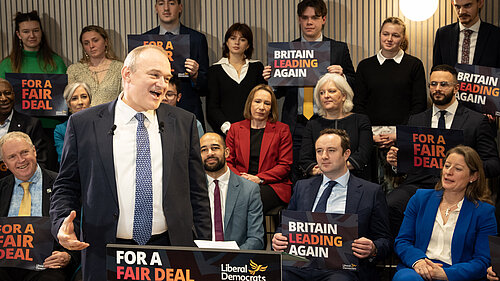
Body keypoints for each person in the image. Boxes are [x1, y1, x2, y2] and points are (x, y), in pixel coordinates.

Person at [49, 45, 211, 281]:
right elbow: (66, 186)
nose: (163, 85)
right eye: (154, 75)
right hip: (105, 252)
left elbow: (197, 192)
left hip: (171, 251)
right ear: (127, 74)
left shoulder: (184, 123)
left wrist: (201, 247)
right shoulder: (84, 124)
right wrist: (62, 222)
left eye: (166, 78)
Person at [386, 64, 500, 237]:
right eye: (433, 84)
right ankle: (410, 255)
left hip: (459, 188)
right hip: (418, 186)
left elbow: (493, 164)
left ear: (456, 88)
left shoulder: (476, 121)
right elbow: (403, 166)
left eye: (444, 84)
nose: (437, 89)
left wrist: (466, 168)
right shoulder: (415, 120)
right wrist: (396, 162)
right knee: (390, 204)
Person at [272, 129, 391, 281]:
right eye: (319, 151)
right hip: (300, 265)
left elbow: (385, 240)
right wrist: (278, 238)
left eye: (331, 150)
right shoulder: (302, 187)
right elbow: (285, 227)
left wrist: (373, 248)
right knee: (275, 274)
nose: (324, 156)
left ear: (346, 154)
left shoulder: (371, 191)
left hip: (343, 269)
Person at [263, 0, 355, 177]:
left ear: (324, 19)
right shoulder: (286, 51)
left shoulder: (338, 49)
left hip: (328, 121)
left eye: (314, 17)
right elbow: (280, 92)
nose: (309, 22)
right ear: (299, 20)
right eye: (305, 18)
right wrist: (271, 81)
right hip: (296, 122)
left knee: (330, 171)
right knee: (297, 173)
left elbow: (354, 82)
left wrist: (342, 76)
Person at [393, 145, 497, 281]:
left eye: (458, 169)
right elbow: (402, 241)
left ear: (473, 176)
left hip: (456, 274)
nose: (449, 172)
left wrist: (447, 274)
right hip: (418, 270)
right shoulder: (420, 199)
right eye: (447, 166)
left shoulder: (484, 212)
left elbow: (482, 261)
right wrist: (419, 261)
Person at [0, 132, 79, 281]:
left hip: (47, 265)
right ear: (5, 164)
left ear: (34, 151)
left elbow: (79, 225)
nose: (21, 160)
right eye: (12, 157)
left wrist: (68, 255)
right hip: (5, 265)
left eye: (24, 152)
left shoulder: (61, 184)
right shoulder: (1, 188)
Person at [353, 17, 426, 149]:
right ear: (380, 35)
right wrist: (369, 134)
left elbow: (419, 105)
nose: (389, 39)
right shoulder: (365, 66)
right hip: (370, 134)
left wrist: (400, 133)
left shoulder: (414, 65)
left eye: (395, 35)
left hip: (403, 135)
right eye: (385, 34)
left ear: (403, 38)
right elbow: (358, 104)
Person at [226, 84, 293, 214]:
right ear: (250, 103)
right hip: (240, 182)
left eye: (267, 103)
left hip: (271, 185)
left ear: (271, 108)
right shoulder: (235, 129)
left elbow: (285, 165)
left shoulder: (282, 130)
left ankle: (251, 235)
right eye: (257, 101)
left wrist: (259, 178)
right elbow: (228, 162)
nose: (261, 107)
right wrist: (242, 179)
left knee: (250, 199)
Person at [144, 0, 209, 127]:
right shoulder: (145, 40)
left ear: (180, 7)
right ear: (156, 8)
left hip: (188, 109)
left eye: (172, 3)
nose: (166, 8)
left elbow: (205, 86)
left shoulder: (197, 39)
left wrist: (195, 75)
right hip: (151, 109)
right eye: (161, 4)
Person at [299, 73, 372, 180]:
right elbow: (305, 159)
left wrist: (336, 169)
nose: (326, 96)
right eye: (322, 93)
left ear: (344, 96)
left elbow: (364, 154)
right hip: (320, 179)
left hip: (355, 178)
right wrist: (321, 170)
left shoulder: (360, 120)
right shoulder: (312, 124)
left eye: (331, 91)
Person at [200, 132, 264, 250]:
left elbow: (256, 239)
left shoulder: (249, 190)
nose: (210, 153)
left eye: (215, 148)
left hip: (236, 262)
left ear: (227, 152)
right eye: (204, 150)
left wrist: (232, 259)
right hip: (200, 260)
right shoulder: (192, 189)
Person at [207, 23, 266, 135]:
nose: (237, 43)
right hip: (226, 132)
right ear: (227, 42)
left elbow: (263, 100)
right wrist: (228, 129)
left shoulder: (257, 67)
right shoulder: (215, 70)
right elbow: (212, 108)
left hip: (255, 130)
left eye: (242, 39)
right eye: (233, 38)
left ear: (248, 45)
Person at [0, 78, 50, 177]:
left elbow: (41, 162)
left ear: (14, 95)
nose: (4, 98)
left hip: (21, 183)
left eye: (7, 93)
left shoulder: (31, 124)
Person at [433, 0, 500, 68]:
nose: (462, 12)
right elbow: (436, 71)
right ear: (453, 4)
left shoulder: (496, 35)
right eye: (457, 6)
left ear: (480, 3)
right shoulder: (442, 34)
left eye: (467, 6)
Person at [67, 25, 123, 106]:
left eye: (95, 40)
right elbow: (70, 101)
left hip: (112, 117)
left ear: (106, 41)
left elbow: (126, 99)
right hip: (83, 116)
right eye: (86, 43)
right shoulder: (74, 70)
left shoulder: (120, 68)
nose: (91, 46)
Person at [0, 11, 66, 79]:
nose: (32, 35)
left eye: (36, 30)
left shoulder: (56, 62)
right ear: (18, 34)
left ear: (41, 32)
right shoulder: (6, 65)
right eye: (26, 31)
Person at [54, 82, 92, 162]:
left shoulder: (101, 125)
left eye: (84, 97)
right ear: (68, 104)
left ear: (90, 100)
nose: (80, 102)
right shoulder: (60, 130)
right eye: (74, 98)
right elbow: (64, 159)